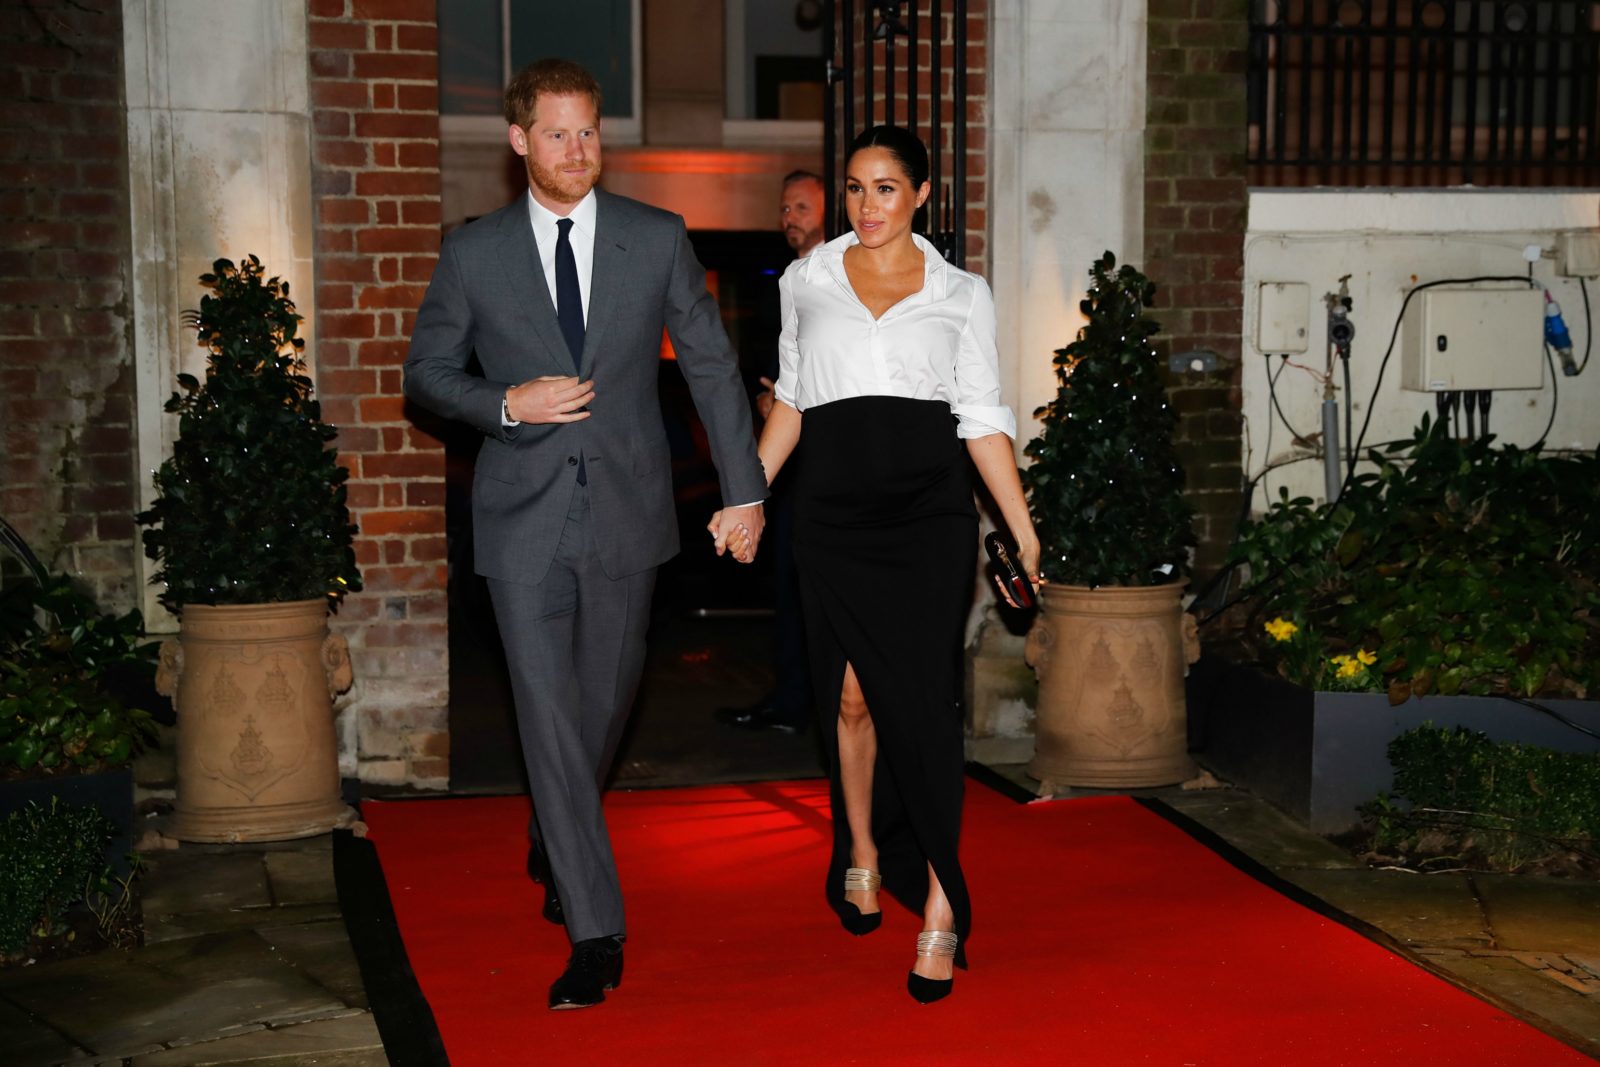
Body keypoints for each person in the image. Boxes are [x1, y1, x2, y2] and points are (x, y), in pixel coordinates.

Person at [404, 58, 767, 1012]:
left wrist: (746, 491)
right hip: (519, 525)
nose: (578, 150)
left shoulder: (655, 238)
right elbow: (429, 374)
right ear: (519, 140)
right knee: (547, 715)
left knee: (601, 708)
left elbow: (712, 370)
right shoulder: (473, 253)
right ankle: (596, 928)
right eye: (557, 133)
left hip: (628, 515)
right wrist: (507, 404)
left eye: (590, 132)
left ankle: (556, 824)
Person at [720, 126, 1041, 1004]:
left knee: (925, 707)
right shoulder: (806, 279)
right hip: (828, 515)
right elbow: (790, 401)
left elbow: (981, 417)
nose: (868, 206)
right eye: (856, 188)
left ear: (923, 194)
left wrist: (1023, 525)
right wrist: (748, 495)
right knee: (850, 694)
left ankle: (943, 901)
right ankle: (860, 846)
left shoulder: (960, 293)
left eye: (887, 189)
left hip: (927, 520)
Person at [715, 170, 826, 735]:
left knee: (825, 588)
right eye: (785, 208)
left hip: (830, 460)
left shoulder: (842, 276)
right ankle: (792, 698)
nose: (790, 218)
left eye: (801, 206)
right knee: (786, 582)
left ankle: (831, 705)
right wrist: (766, 399)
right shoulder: (782, 279)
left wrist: (785, 400)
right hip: (787, 460)